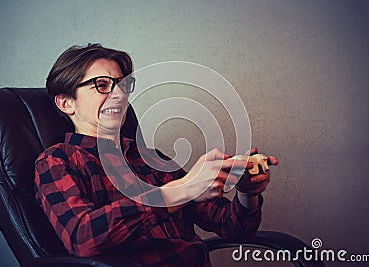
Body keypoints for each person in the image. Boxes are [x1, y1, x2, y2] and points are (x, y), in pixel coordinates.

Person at [34, 43, 278, 267]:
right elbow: (83, 238)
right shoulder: (57, 161)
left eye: (123, 84)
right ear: (66, 103)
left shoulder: (152, 160)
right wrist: (181, 189)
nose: (118, 95)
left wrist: (247, 193)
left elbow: (233, 228)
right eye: (102, 85)